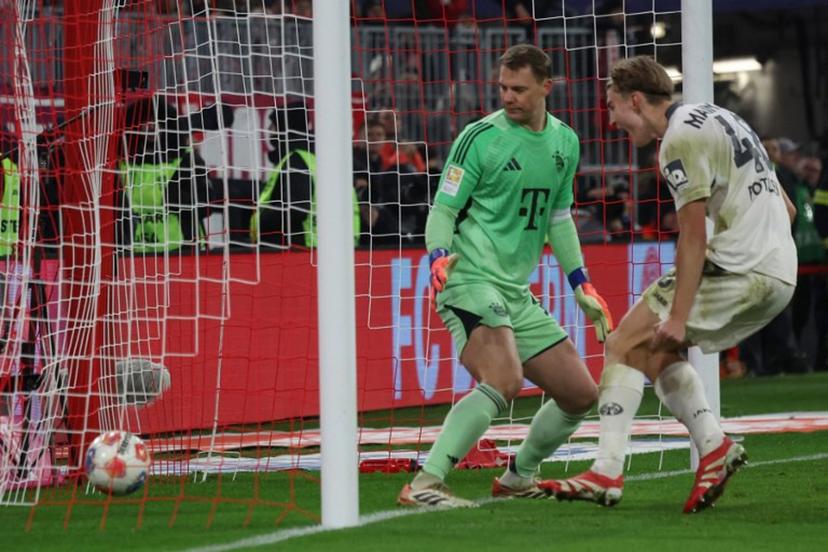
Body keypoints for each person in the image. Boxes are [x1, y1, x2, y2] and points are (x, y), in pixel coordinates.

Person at [541, 56, 797, 513]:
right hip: (780, 269)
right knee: (647, 349)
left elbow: (694, 236)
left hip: (744, 266)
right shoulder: (724, 117)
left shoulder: (677, 140)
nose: (612, 118)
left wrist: (679, 315)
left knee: (620, 342)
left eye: (614, 106)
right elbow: (789, 210)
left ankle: (606, 470)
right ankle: (714, 446)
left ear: (635, 100)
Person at [397, 44, 613, 508]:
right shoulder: (480, 138)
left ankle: (519, 476)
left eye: (518, 89)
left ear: (545, 88)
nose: (508, 97)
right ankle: (423, 485)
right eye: (502, 88)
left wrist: (581, 284)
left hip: (515, 290)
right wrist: (438, 254)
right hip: (467, 276)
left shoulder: (565, 142)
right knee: (504, 377)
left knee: (579, 393)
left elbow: (559, 218)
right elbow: (444, 208)